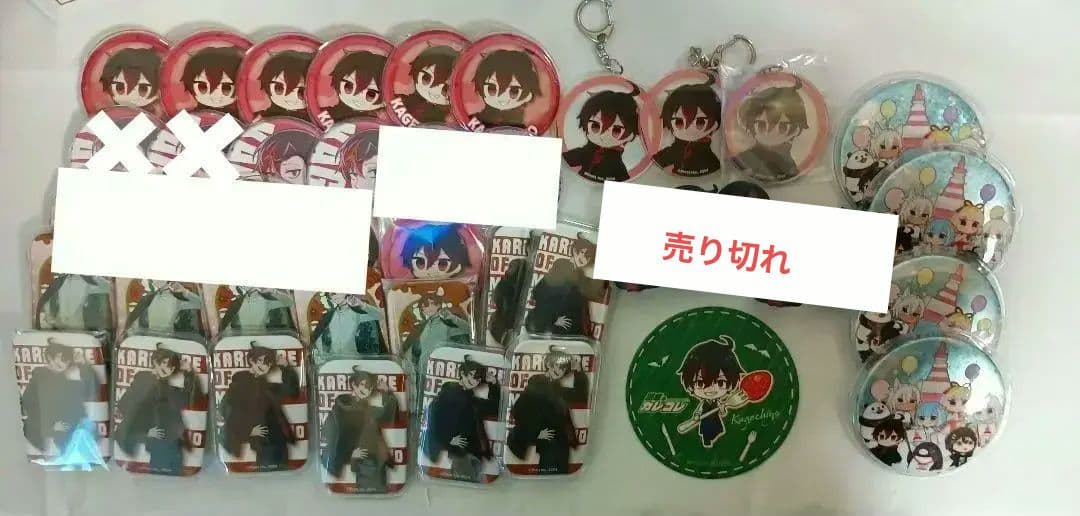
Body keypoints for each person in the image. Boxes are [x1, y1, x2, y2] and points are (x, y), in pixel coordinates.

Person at [114, 345, 201, 475]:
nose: (168, 369)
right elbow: (131, 407)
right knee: (161, 473)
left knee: (171, 472)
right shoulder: (144, 380)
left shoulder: (165, 387)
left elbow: (188, 398)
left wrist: (188, 372)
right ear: (155, 362)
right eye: (165, 363)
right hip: (160, 443)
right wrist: (145, 432)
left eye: (171, 367)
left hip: (171, 441)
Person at [507, 348, 590, 474]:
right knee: (548, 477)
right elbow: (518, 411)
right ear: (549, 364)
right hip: (549, 444)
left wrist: (578, 371)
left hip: (562, 443)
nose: (560, 371)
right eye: (557, 366)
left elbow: (581, 395)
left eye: (563, 369)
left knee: (561, 478)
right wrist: (536, 433)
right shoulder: (535, 386)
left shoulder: (558, 389)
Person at [219, 345, 301, 471]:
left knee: (281, 476)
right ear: (251, 361)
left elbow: (292, 392)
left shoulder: (267, 386)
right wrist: (248, 431)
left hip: (279, 441)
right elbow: (225, 410)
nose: (264, 366)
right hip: (265, 444)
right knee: (269, 476)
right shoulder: (239, 386)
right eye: (260, 361)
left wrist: (285, 367)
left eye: (268, 363)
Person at [422, 357, 501, 483]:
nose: (474, 381)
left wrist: (493, 383)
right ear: (462, 373)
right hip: (461, 454)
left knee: (471, 486)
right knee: (466, 488)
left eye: (478, 379)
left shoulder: (469, 398)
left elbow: (494, 408)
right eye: (472, 375)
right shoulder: (448, 395)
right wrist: (448, 440)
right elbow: (435, 420)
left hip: (474, 452)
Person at [322, 369, 399, 493]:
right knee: (369, 492)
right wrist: (350, 455)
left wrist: (386, 391)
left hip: (376, 462)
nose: (366, 389)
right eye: (363, 384)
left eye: (369, 387)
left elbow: (389, 414)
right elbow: (328, 434)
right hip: (363, 463)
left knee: (378, 492)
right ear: (354, 384)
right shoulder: (340, 410)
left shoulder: (369, 410)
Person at [21, 340, 97, 458]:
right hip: (44, 435)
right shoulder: (40, 377)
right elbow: (29, 405)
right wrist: (51, 427)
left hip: (65, 438)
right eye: (60, 358)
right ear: (49, 357)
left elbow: (90, 390)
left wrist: (83, 364)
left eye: (66, 359)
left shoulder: (67, 380)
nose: (63, 363)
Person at [675, 337, 750, 447]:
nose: (710, 389)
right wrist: (696, 416)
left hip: (715, 420)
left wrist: (723, 407)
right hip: (705, 421)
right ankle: (707, 441)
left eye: (720, 382)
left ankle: (715, 440)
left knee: (716, 431)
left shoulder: (719, 402)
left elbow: (723, 413)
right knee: (706, 433)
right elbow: (699, 410)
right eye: (700, 383)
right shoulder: (704, 403)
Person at [525, 236, 606, 337]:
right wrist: (553, 319)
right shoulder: (562, 265)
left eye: (587, 256)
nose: (583, 258)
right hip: (552, 326)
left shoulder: (579, 275)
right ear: (575, 251)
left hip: (566, 330)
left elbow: (592, 292)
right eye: (582, 252)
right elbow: (541, 293)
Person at [730, 80, 809, 181]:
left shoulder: (790, 165)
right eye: (761, 125)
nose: (770, 132)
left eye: (783, 127)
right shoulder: (744, 159)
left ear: (796, 130)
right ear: (750, 125)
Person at [562, 87, 641, 182]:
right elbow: (578, 155)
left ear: (631, 133)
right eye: (595, 126)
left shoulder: (616, 164)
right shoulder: (589, 150)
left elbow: (622, 178)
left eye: (616, 130)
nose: (603, 135)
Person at [653, 81, 722, 176]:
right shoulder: (675, 149)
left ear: (714, 124)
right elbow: (664, 157)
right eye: (679, 122)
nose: (687, 128)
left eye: (700, 122)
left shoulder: (709, 158)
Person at [469, 50, 542, 129]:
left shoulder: (525, 129)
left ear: (528, 96)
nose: (502, 96)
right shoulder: (472, 121)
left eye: (514, 91)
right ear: (481, 88)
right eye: (492, 88)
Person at [397, 45, 458, 124]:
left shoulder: (451, 114)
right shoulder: (407, 100)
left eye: (445, 89)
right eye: (426, 78)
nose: (433, 90)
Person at [311, 293, 384, 356]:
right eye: (331, 293)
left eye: (337, 291)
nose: (333, 295)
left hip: (354, 362)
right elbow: (318, 339)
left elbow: (380, 316)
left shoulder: (358, 314)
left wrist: (362, 304)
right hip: (333, 362)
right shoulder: (329, 315)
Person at [36, 274, 113, 332]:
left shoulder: (98, 283)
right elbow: (46, 309)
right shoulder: (58, 282)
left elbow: (103, 317)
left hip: (86, 335)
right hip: (59, 334)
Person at [126, 280, 205, 336]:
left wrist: (184, 291)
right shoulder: (147, 297)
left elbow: (200, 304)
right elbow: (134, 321)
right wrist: (132, 337)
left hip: (170, 339)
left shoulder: (176, 299)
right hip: (148, 339)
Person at [181, 46, 243, 116]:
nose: (216, 96)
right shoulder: (190, 117)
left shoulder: (244, 115)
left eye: (226, 88)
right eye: (202, 87)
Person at [326, 51, 387, 121]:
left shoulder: (385, 117)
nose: (357, 98)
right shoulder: (331, 113)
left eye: (371, 94)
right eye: (348, 87)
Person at [255, 50, 312, 120]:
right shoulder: (263, 117)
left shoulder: (315, 117)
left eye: (301, 92)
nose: (290, 97)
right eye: (279, 88)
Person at [218, 287, 297, 335]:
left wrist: (272, 291)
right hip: (241, 340)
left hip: (263, 338)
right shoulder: (237, 302)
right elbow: (224, 326)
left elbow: (288, 302)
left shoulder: (265, 301)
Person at [487, 258, 528, 346]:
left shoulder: (514, 286)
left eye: (511, 267)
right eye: (510, 267)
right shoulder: (505, 284)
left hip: (505, 325)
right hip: (502, 324)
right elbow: (501, 304)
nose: (508, 270)